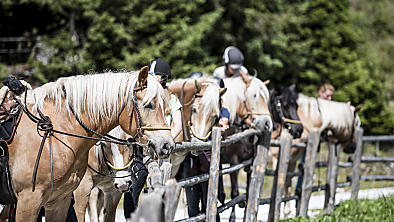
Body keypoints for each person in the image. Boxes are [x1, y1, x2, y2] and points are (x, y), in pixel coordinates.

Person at [123, 58, 182, 219]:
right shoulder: (146, 96)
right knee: (133, 189)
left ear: (164, 78)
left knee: (159, 191)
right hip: (143, 149)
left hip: (161, 150)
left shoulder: (171, 98)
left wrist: (167, 141)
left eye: (156, 76)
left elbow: (178, 124)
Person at [183, 75, 229, 220]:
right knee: (192, 202)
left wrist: (223, 122)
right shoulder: (193, 107)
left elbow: (224, 116)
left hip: (208, 159)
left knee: (209, 200)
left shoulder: (219, 109)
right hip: (192, 159)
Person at [295, 83, 335, 207]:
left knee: (309, 172)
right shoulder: (313, 105)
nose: (329, 99)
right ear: (320, 93)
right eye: (327, 96)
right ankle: (298, 200)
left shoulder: (326, 108)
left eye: (330, 97)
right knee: (303, 170)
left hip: (314, 144)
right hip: (305, 143)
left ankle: (303, 201)